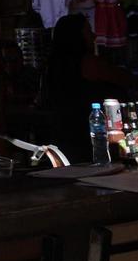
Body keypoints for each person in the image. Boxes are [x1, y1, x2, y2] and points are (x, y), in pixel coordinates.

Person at [43, 13, 133, 162]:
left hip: (64, 133)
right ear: (77, 36)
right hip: (89, 135)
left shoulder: (52, 65)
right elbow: (123, 78)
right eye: (88, 31)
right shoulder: (87, 63)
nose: (93, 36)